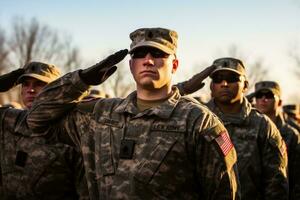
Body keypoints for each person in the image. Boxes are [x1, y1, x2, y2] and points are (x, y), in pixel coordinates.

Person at [27, 27, 240, 199]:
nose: (148, 60)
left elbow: (224, 192)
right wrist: (80, 81)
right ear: (130, 65)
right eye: (139, 54)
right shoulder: (101, 115)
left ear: (174, 64)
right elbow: (37, 120)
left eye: (158, 54)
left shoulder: (199, 122)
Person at [0, 62, 88, 199]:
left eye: (39, 84)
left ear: (56, 90)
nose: (31, 90)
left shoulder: (73, 132)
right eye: (26, 84)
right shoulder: (8, 120)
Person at [203, 58, 288, 200]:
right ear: (211, 86)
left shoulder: (262, 126)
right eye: (218, 79)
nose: (224, 84)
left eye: (232, 78)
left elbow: (276, 183)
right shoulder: (199, 120)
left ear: (245, 85)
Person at [253, 81, 300, 199]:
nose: (263, 99)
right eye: (259, 96)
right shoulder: (247, 130)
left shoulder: (291, 134)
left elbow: (297, 176)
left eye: (269, 95)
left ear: (279, 102)